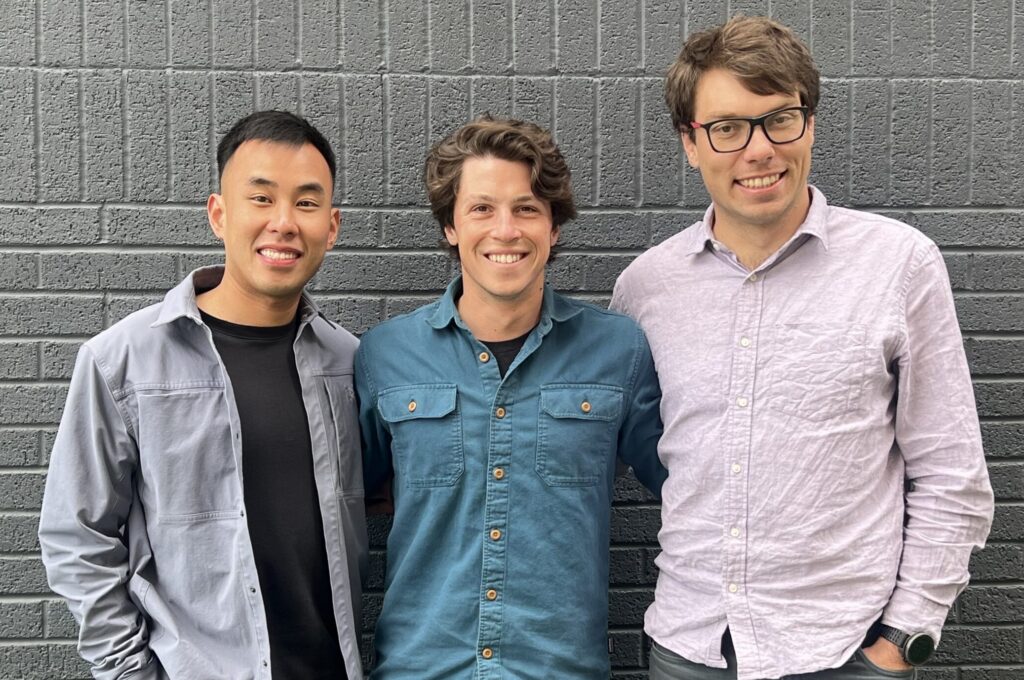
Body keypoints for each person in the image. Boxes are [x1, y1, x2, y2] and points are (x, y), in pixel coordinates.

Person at [611, 16, 995, 680]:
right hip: (690, 649)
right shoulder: (645, 287)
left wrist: (900, 642)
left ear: (809, 124)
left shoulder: (899, 265)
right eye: (727, 128)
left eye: (779, 120)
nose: (758, 150)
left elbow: (951, 473)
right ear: (690, 143)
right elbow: (650, 450)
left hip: (843, 652)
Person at [38, 111, 366, 680]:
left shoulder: (349, 362)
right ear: (219, 214)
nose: (284, 222)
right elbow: (76, 535)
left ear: (332, 226)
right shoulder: (124, 361)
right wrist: (128, 671)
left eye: (306, 203)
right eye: (261, 198)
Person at [356, 114, 666, 678]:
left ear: (553, 227)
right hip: (422, 667)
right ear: (450, 226)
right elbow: (348, 499)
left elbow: (689, 487)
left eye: (526, 208)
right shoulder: (385, 355)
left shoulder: (619, 352)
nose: (505, 230)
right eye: (481, 208)